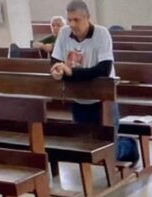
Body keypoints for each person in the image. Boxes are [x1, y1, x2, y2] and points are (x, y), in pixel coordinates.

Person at [50, 0, 138, 164]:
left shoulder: (101, 33)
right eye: (69, 20)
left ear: (87, 18)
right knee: (86, 147)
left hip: (104, 98)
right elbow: (55, 60)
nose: (72, 24)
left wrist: (71, 72)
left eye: (77, 20)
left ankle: (130, 146)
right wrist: (57, 71)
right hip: (78, 97)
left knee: (109, 150)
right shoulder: (64, 33)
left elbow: (103, 69)